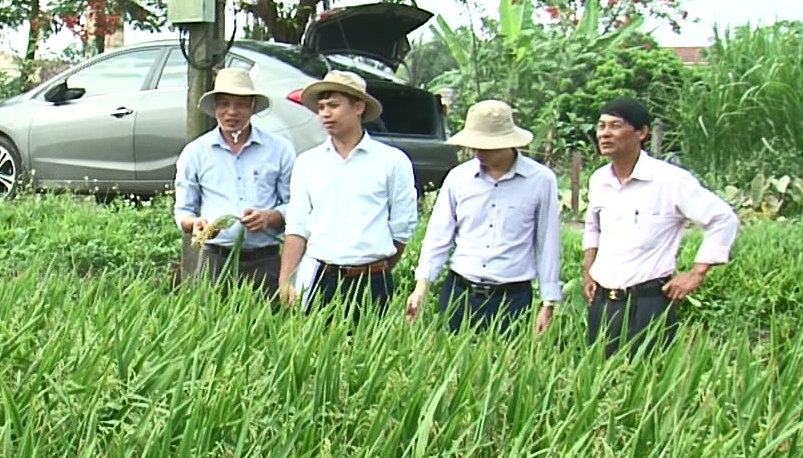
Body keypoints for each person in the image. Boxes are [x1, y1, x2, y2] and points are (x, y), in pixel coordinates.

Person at [582, 97, 740, 352]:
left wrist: (696, 274)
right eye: (601, 126)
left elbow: (723, 218)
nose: (605, 134)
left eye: (615, 126)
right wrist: (588, 268)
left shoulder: (670, 180)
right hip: (603, 302)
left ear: (642, 133)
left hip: (648, 303)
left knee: (648, 381)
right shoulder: (599, 179)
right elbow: (593, 226)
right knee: (599, 378)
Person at [406, 100, 563, 332]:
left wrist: (548, 301)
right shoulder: (458, 178)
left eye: (487, 146)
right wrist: (422, 285)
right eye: (475, 145)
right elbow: (439, 235)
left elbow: (547, 242)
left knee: (506, 364)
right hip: (460, 292)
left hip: (512, 297)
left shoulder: (540, 180)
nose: (479, 152)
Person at [277, 70, 417, 313]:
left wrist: (377, 267)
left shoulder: (392, 161)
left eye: (334, 105)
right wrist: (286, 279)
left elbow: (402, 228)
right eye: (321, 107)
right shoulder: (308, 163)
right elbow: (297, 226)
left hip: (372, 278)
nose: (325, 114)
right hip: (320, 276)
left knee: (371, 349)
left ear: (358, 107)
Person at [173, 67, 295, 297]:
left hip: (265, 259)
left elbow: (295, 205)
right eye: (224, 104)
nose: (231, 112)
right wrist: (196, 224)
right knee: (211, 326)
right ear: (215, 108)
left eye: (240, 104)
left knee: (267, 329)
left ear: (252, 107)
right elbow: (183, 210)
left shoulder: (279, 149)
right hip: (215, 259)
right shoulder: (195, 152)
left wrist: (270, 217)